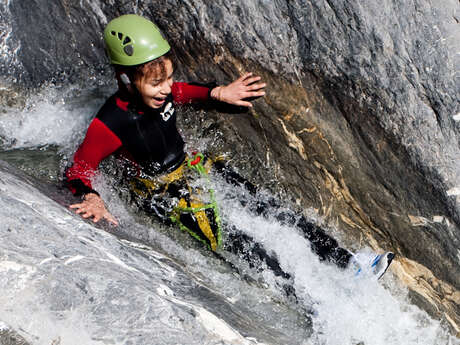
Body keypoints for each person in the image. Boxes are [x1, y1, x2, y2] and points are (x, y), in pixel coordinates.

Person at [65, 14, 393, 279]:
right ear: (125, 79)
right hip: (165, 195)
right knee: (241, 243)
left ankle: (350, 263)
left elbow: (181, 91)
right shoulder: (110, 123)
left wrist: (216, 93)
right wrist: (91, 196)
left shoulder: (162, 91)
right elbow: (80, 168)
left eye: (167, 78)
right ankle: (312, 300)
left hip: (192, 167)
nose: (166, 88)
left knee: (270, 208)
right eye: (156, 83)